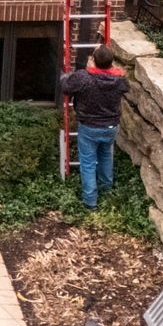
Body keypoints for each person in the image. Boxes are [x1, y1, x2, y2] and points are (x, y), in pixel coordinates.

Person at [62, 46, 128, 208]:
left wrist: (65, 76)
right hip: (111, 126)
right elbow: (125, 87)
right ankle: (107, 191)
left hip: (89, 127)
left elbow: (66, 87)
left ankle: (90, 201)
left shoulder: (84, 77)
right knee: (106, 156)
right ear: (111, 62)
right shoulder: (119, 80)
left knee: (88, 163)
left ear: (93, 60)